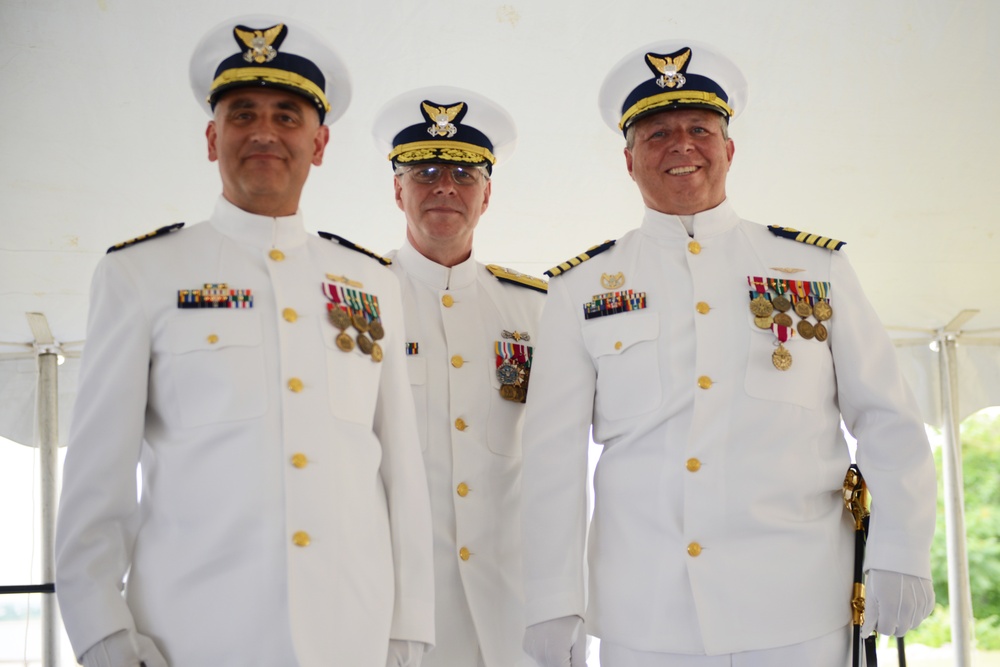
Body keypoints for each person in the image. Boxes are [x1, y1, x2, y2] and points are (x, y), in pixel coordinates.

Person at [520, 40, 936, 666]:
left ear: (729, 149)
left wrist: (902, 550)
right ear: (628, 159)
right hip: (648, 614)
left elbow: (887, 417)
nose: (680, 145)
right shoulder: (580, 289)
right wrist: (553, 597)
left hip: (800, 605)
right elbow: (550, 456)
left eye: (698, 129)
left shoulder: (814, 267)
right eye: (656, 133)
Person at [54, 15, 433, 667]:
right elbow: (97, 481)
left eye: (288, 116)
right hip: (194, 638)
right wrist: (103, 635)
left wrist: (409, 631)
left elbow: (401, 471)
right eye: (243, 114)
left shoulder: (371, 281)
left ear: (319, 144)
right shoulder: (140, 275)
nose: (264, 131)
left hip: (352, 638)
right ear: (212, 138)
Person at [372, 86, 547, 666]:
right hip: (394, 613)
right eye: (424, 170)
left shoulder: (534, 310)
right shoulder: (358, 299)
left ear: (487, 194)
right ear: (398, 190)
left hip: (512, 615)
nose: (444, 185)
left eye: (464, 174)